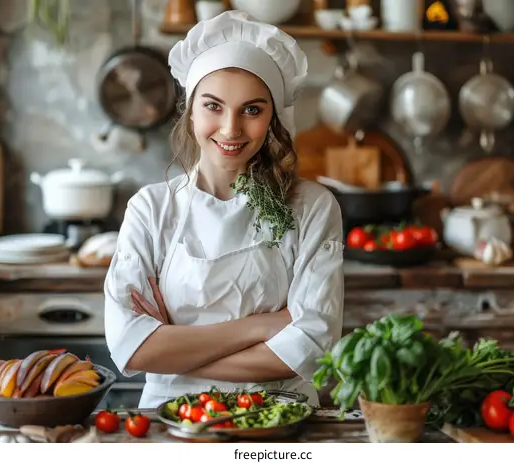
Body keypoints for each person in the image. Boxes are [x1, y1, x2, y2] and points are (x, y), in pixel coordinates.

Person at [103, 10, 344, 409]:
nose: (231, 129)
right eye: (213, 106)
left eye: (252, 110)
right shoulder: (152, 208)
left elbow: (312, 348)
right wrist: (265, 325)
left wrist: (175, 348)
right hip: (172, 422)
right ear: (191, 109)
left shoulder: (311, 207)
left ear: (272, 119)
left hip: (282, 418)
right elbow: (131, 347)